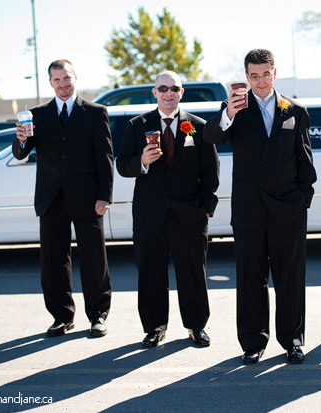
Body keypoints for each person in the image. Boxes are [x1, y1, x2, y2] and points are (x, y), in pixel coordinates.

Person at [204, 49, 317, 364]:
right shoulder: (235, 109)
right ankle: (253, 342)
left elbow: (305, 162)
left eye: (266, 74)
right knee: (251, 279)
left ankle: (292, 341)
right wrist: (228, 112)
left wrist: (302, 201)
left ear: (274, 73)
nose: (260, 80)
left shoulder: (295, 110)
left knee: (290, 279)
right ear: (247, 77)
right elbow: (211, 135)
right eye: (254, 75)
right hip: (249, 211)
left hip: (288, 211)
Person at [116, 71, 219, 348]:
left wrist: (206, 208)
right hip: (150, 215)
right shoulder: (137, 125)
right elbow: (122, 164)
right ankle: (154, 328)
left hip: (190, 215)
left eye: (174, 88)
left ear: (182, 92)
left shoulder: (198, 126)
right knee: (151, 273)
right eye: (163, 88)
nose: (169, 93)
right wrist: (142, 160)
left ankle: (196, 326)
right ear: (154, 92)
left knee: (193, 273)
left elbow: (210, 172)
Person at [12, 59, 113, 338]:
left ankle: (98, 316)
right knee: (54, 261)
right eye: (57, 80)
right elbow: (21, 152)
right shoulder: (36, 115)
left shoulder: (95, 112)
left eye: (67, 78)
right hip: (51, 198)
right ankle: (62, 316)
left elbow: (105, 158)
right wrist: (20, 138)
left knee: (94, 259)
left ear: (75, 77)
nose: (63, 84)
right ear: (50, 83)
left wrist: (105, 196)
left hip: (88, 198)